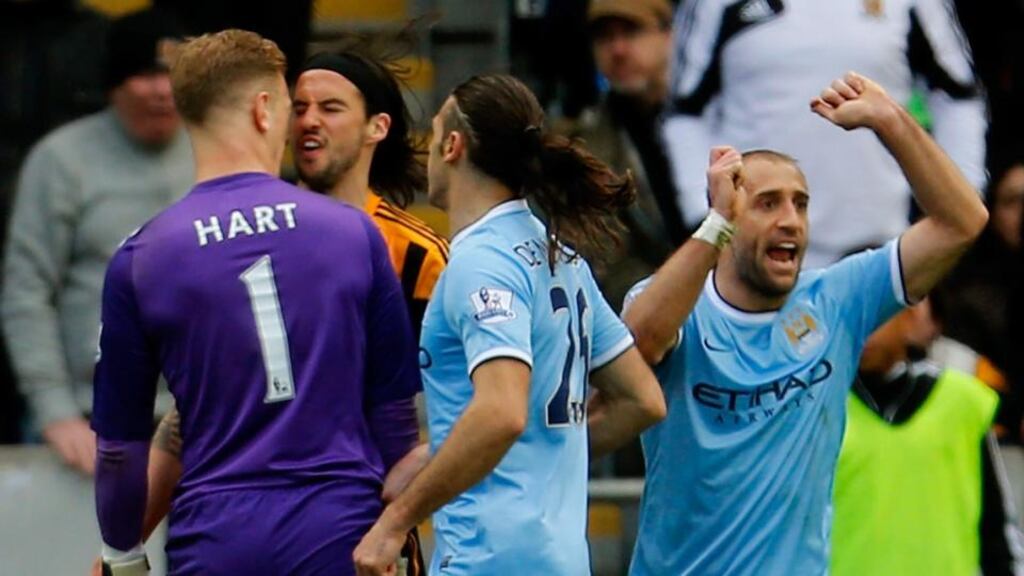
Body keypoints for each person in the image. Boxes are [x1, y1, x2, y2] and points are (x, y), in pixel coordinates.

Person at [623, 71, 988, 575]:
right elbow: (641, 340)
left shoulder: (836, 301)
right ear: (727, 215)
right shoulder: (677, 303)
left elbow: (962, 223)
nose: (791, 219)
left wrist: (890, 122)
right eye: (767, 203)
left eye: (800, 203)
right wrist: (715, 224)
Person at [90, 30, 420, 575]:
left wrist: (121, 558)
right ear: (265, 110)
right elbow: (395, 427)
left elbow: (119, 450)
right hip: (340, 533)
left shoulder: (142, 257)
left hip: (214, 541)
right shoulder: (352, 234)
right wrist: (394, 535)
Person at [352, 74, 667, 575]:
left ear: (452, 145)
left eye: (434, 136)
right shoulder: (560, 255)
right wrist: (520, 453)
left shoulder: (481, 261)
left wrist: (396, 522)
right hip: (561, 558)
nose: (429, 151)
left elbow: (501, 411)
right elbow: (641, 400)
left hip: (491, 557)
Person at [1, 7, 191, 473]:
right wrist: (54, 410)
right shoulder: (61, 160)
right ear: (114, 84)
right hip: (90, 423)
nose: (162, 90)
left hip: (203, 420)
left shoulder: (219, 150)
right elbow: (27, 290)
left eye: (174, 74)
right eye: (145, 75)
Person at [663, 0, 987, 267]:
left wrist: (959, 195)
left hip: (883, 253)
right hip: (756, 254)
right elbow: (683, 114)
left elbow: (959, 98)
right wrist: (706, 219)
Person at [830, 298, 1023, 576]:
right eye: (850, 318)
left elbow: (997, 530)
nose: (863, 331)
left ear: (909, 317)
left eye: (874, 317)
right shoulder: (817, 408)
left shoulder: (961, 401)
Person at [575, 0, 684, 314]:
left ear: (669, 36)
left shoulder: (722, 117)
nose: (618, 49)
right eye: (605, 38)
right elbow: (610, 262)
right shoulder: (585, 150)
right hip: (656, 321)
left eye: (631, 32)